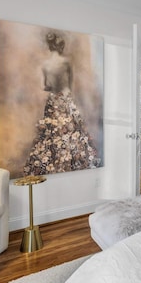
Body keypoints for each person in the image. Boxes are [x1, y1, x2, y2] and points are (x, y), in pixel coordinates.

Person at [23, 32, 100, 176]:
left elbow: (45, 86)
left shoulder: (45, 65)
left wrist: (53, 87)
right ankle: (71, 164)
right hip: (66, 100)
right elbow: (69, 86)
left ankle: (54, 166)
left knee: (51, 135)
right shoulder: (66, 62)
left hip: (53, 101)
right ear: (60, 46)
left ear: (49, 45)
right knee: (72, 134)